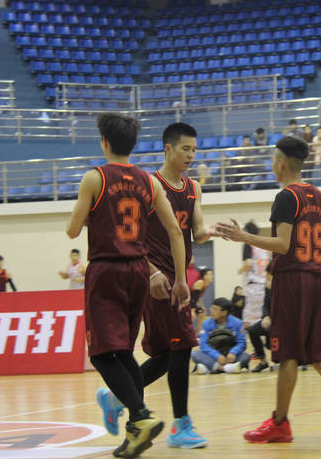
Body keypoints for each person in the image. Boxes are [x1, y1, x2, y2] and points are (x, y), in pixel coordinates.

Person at [216, 136, 321, 443]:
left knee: (287, 353)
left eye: (274, 160)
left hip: (291, 281)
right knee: (317, 352)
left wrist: (243, 236)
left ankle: (280, 423)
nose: (273, 165)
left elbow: (283, 244)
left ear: (282, 163)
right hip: (315, 279)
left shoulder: (286, 196)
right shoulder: (319, 195)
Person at [66, 112, 190, 459]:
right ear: (132, 145)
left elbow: (73, 230)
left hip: (106, 269)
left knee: (101, 354)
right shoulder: (150, 182)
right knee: (123, 352)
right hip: (139, 271)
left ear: (104, 142)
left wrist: (93, 215)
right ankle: (137, 429)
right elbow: (175, 231)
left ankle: (141, 415)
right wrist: (181, 278)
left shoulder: (94, 177)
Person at [97, 122, 217, 450]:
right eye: (185, 149)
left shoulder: (193, 188)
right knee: (183, 345)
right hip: (156, 280)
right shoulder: (148, 184)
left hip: (177, 278)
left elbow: (196, 232)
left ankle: (115, 397)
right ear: (168, 149)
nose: (191, 155)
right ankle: (181, 425)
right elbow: (131, 237)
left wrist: (214, 231)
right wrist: (151, 273)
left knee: (166, 355)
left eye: (194, 150)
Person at [191, 298, 251, 374]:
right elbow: (203, 344)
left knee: (246, 356)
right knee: (195, 354)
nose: (211, 311)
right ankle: (226, 368)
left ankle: (210, 367)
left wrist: (233, 352)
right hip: (213, 355)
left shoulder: (237, 323)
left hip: (230, 356)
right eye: (212, 308)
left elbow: (242, 343)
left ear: (224, 312)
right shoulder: (206, 324)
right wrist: (217, 356)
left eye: (215, 309)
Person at [238, 221, 272, 329]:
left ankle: (250, 337)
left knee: (248, 320)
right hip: (266, 286)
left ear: (247, 232)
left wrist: (240, 271)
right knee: (264, 317)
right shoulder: (265, 246)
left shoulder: (248, 245)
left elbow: (248, 264)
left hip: (254, 286)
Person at [248, 264, 273, 372]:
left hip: (285, 320)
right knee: (253, 330)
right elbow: (265, 305)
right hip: (271, 319)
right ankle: (263, 361)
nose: (267, 276)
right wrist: (266, 316)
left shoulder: (287, 286)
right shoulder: (268, 287)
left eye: (269, 274)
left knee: (270, 342)